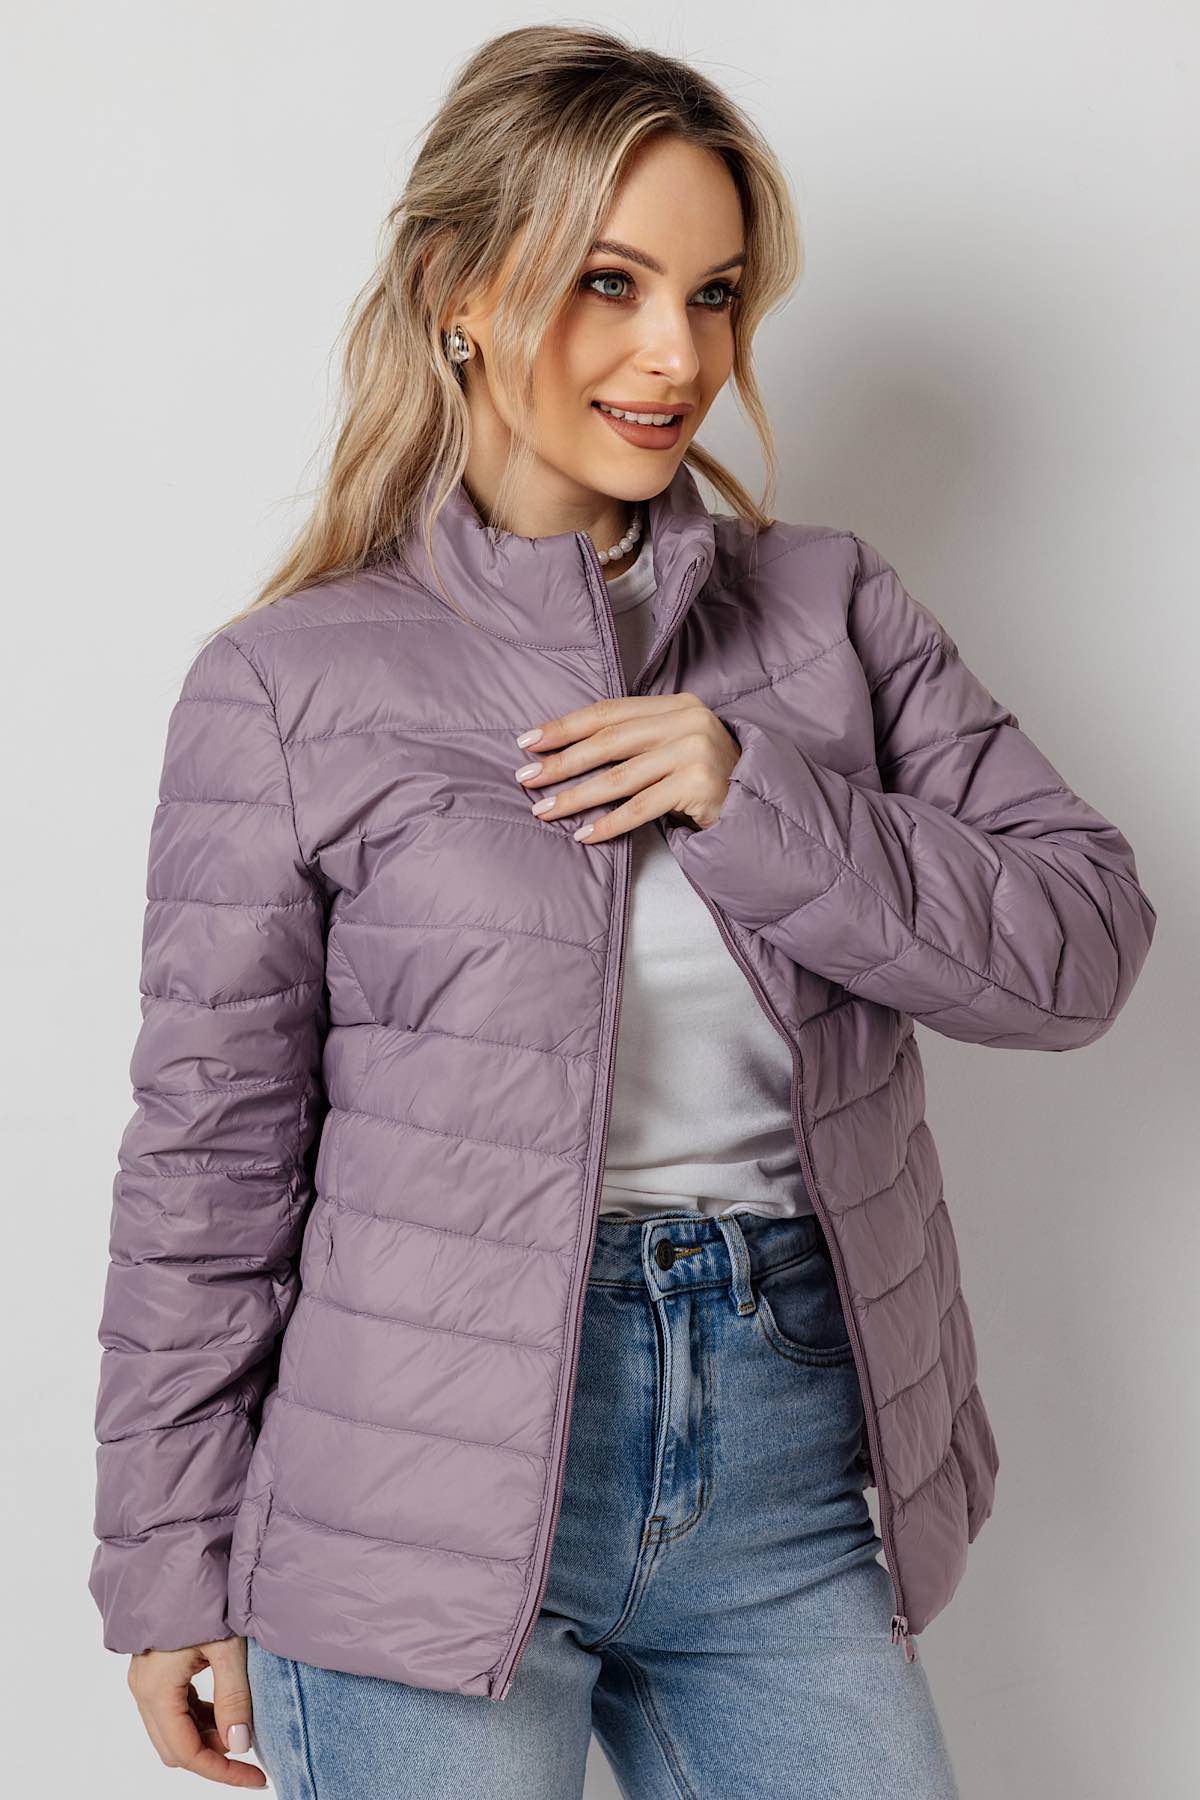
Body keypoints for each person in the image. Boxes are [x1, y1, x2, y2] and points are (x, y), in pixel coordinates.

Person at [89, 23, 1157, 1797]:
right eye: (611, 283)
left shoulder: (831, 613)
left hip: (788, 1452)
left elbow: (1082, 949)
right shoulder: (287, 685)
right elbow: (209, 1155)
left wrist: (758, 796)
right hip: (411, 1490)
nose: (679, 356)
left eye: (715, 295)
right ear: (461, 291)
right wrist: (167, 1564)